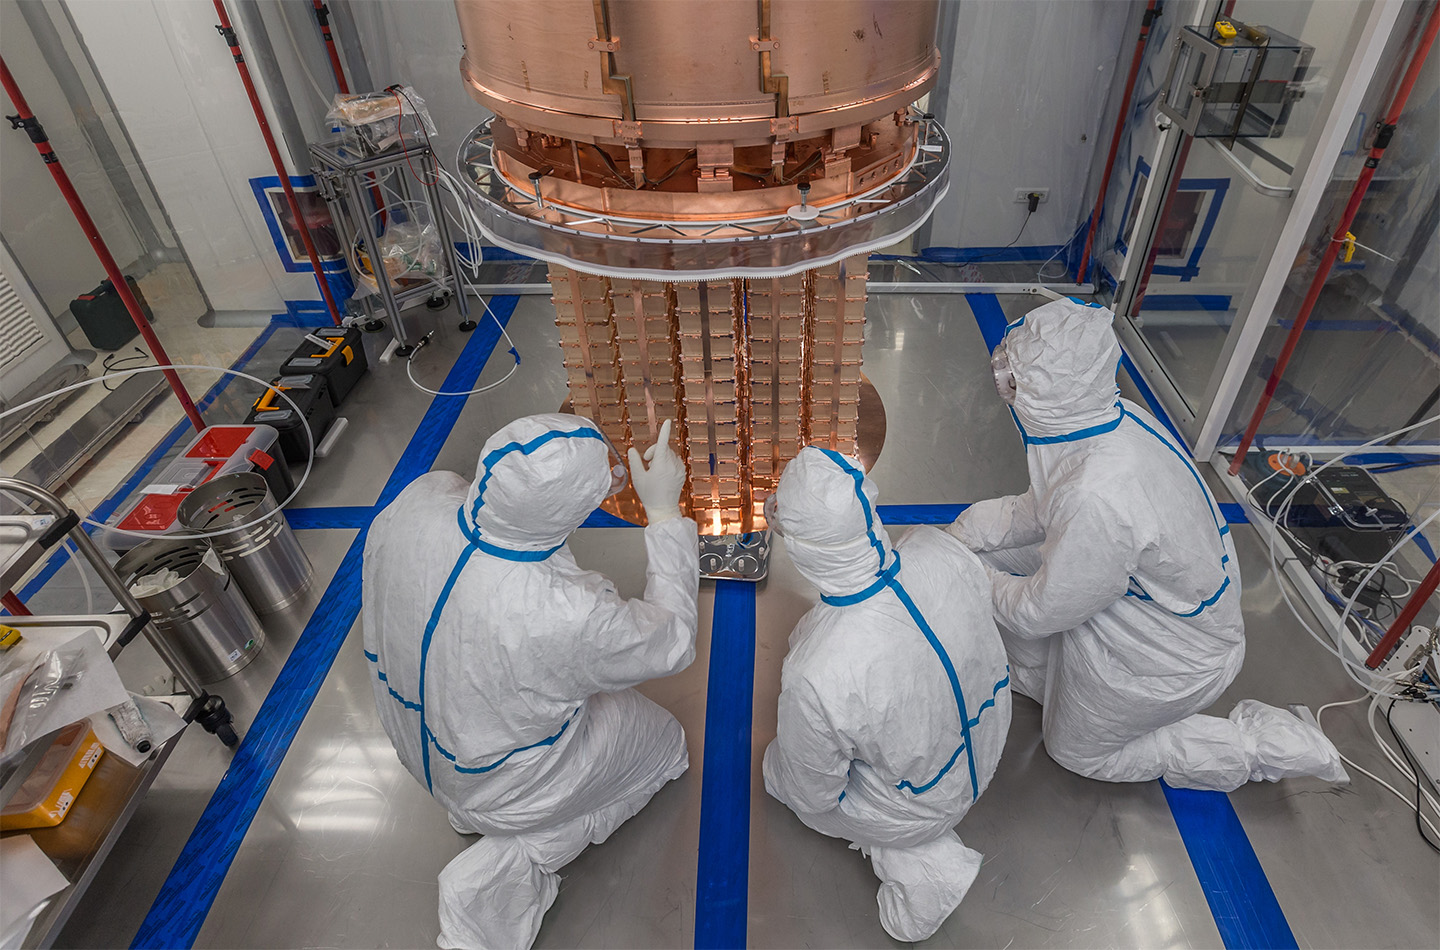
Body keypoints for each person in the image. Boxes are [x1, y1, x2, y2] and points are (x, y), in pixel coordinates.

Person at [949, 297, 1345, 790]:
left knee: (1075, 752)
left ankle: (1255, 749)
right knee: (982, 553)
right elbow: (1049, 504)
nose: (1004, 386)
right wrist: (969, 531)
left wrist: (968, 575)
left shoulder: (1098, 494)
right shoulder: (1109, 418)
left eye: (1014, 380)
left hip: (1164, 653)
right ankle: (1054, 681)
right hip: (1134, 587)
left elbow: (1040, 610)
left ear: (1046, 394)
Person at [362, 413, 698, 949]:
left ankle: (477, 810)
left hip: (422, 746)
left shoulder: (415, 503)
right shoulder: (562, 613)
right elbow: (672, 640)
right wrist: (662, 511)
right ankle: (512, 858)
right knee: (666, 746)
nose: (615, 475)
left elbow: (507, 515)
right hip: (507, 787)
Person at [762, 447, 1012, 942]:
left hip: (927, 803)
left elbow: (814, 790)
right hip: (992, 739)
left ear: (805, 548)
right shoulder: (936, 549)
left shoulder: (817, 673)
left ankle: (929, 871)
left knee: (778, 774)